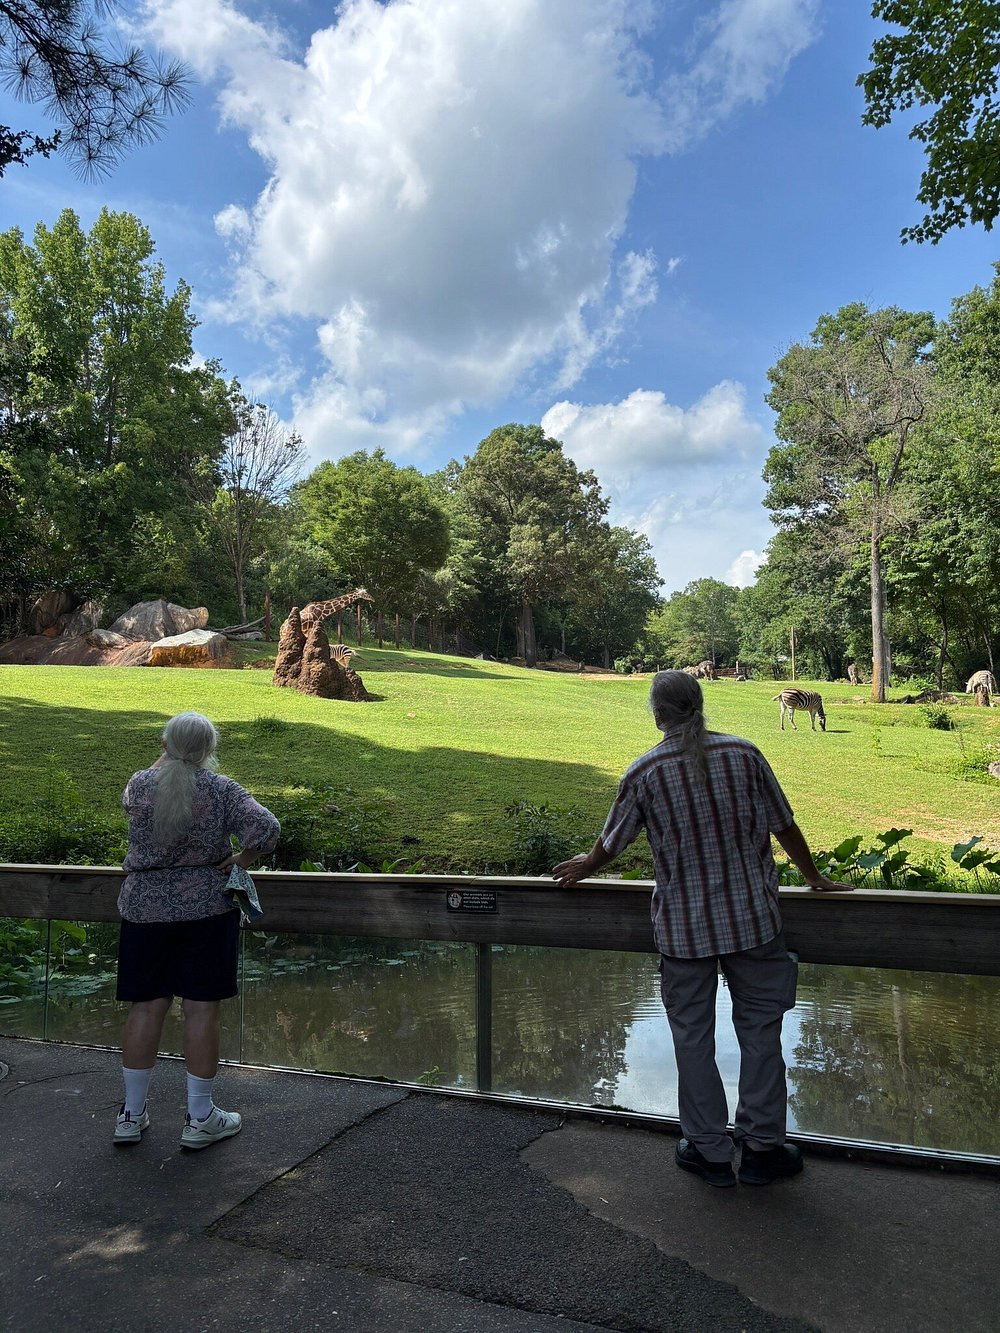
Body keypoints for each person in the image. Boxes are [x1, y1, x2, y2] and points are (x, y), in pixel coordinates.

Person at [552, 670, 850, 1189]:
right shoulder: (745, 754)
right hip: (754, 923)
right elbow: (784, 824)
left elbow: (611, 843)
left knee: (692, 1040)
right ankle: (762, 1150)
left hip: (683, 930)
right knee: (761, 1035)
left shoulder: (645, 770)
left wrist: (585, 866)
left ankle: (710, 1153)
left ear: (657, 714)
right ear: (701, 704)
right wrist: (814, 877)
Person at [114, 711, 280, 1150]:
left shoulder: (138, 785)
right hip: (206, 911)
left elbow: (135, 799)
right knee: (201, 1009)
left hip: (144, 910)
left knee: (146, 1006)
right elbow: (266, 828)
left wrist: (164, 757)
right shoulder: (222, 789)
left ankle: (130, 1115)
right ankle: (201, 1118)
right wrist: (242, 859)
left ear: (164, 745)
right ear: (209, 750)